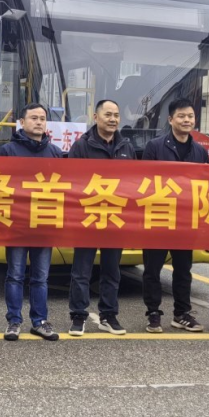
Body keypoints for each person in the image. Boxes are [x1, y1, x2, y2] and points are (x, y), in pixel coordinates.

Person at [67, 99, 134, 337]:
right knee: (81, 271)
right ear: (95, 117)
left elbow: (133, 183)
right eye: (108, 115)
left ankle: (109, 315)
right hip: (87, 218)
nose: (113, 119)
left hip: (115, 218)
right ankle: (78, 316)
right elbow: (71, 182)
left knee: (111, 271)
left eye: (116, 115)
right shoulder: (81, 146)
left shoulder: (126, 147)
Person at [140, 98, 207, 334]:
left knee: (183, 270)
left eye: (190, 116)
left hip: (185, 221)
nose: (187, 120)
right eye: (181, 116)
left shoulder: (199, 151)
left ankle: (182, 314)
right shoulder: (155, 147)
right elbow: (144, 182)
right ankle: (153, 313)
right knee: (152, 270)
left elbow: (204, 186)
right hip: (158, 217)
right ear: (170, 120)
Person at [0, 103, 63, 341]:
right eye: (33, 118)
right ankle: (14, 321)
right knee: (15, 274)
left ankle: (40, 321)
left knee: (40, 277)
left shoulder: (55, 152)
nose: (38, 122)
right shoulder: (8, 151)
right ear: (22, 122)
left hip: (44, 223)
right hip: (17, 223)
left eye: (42, 118)